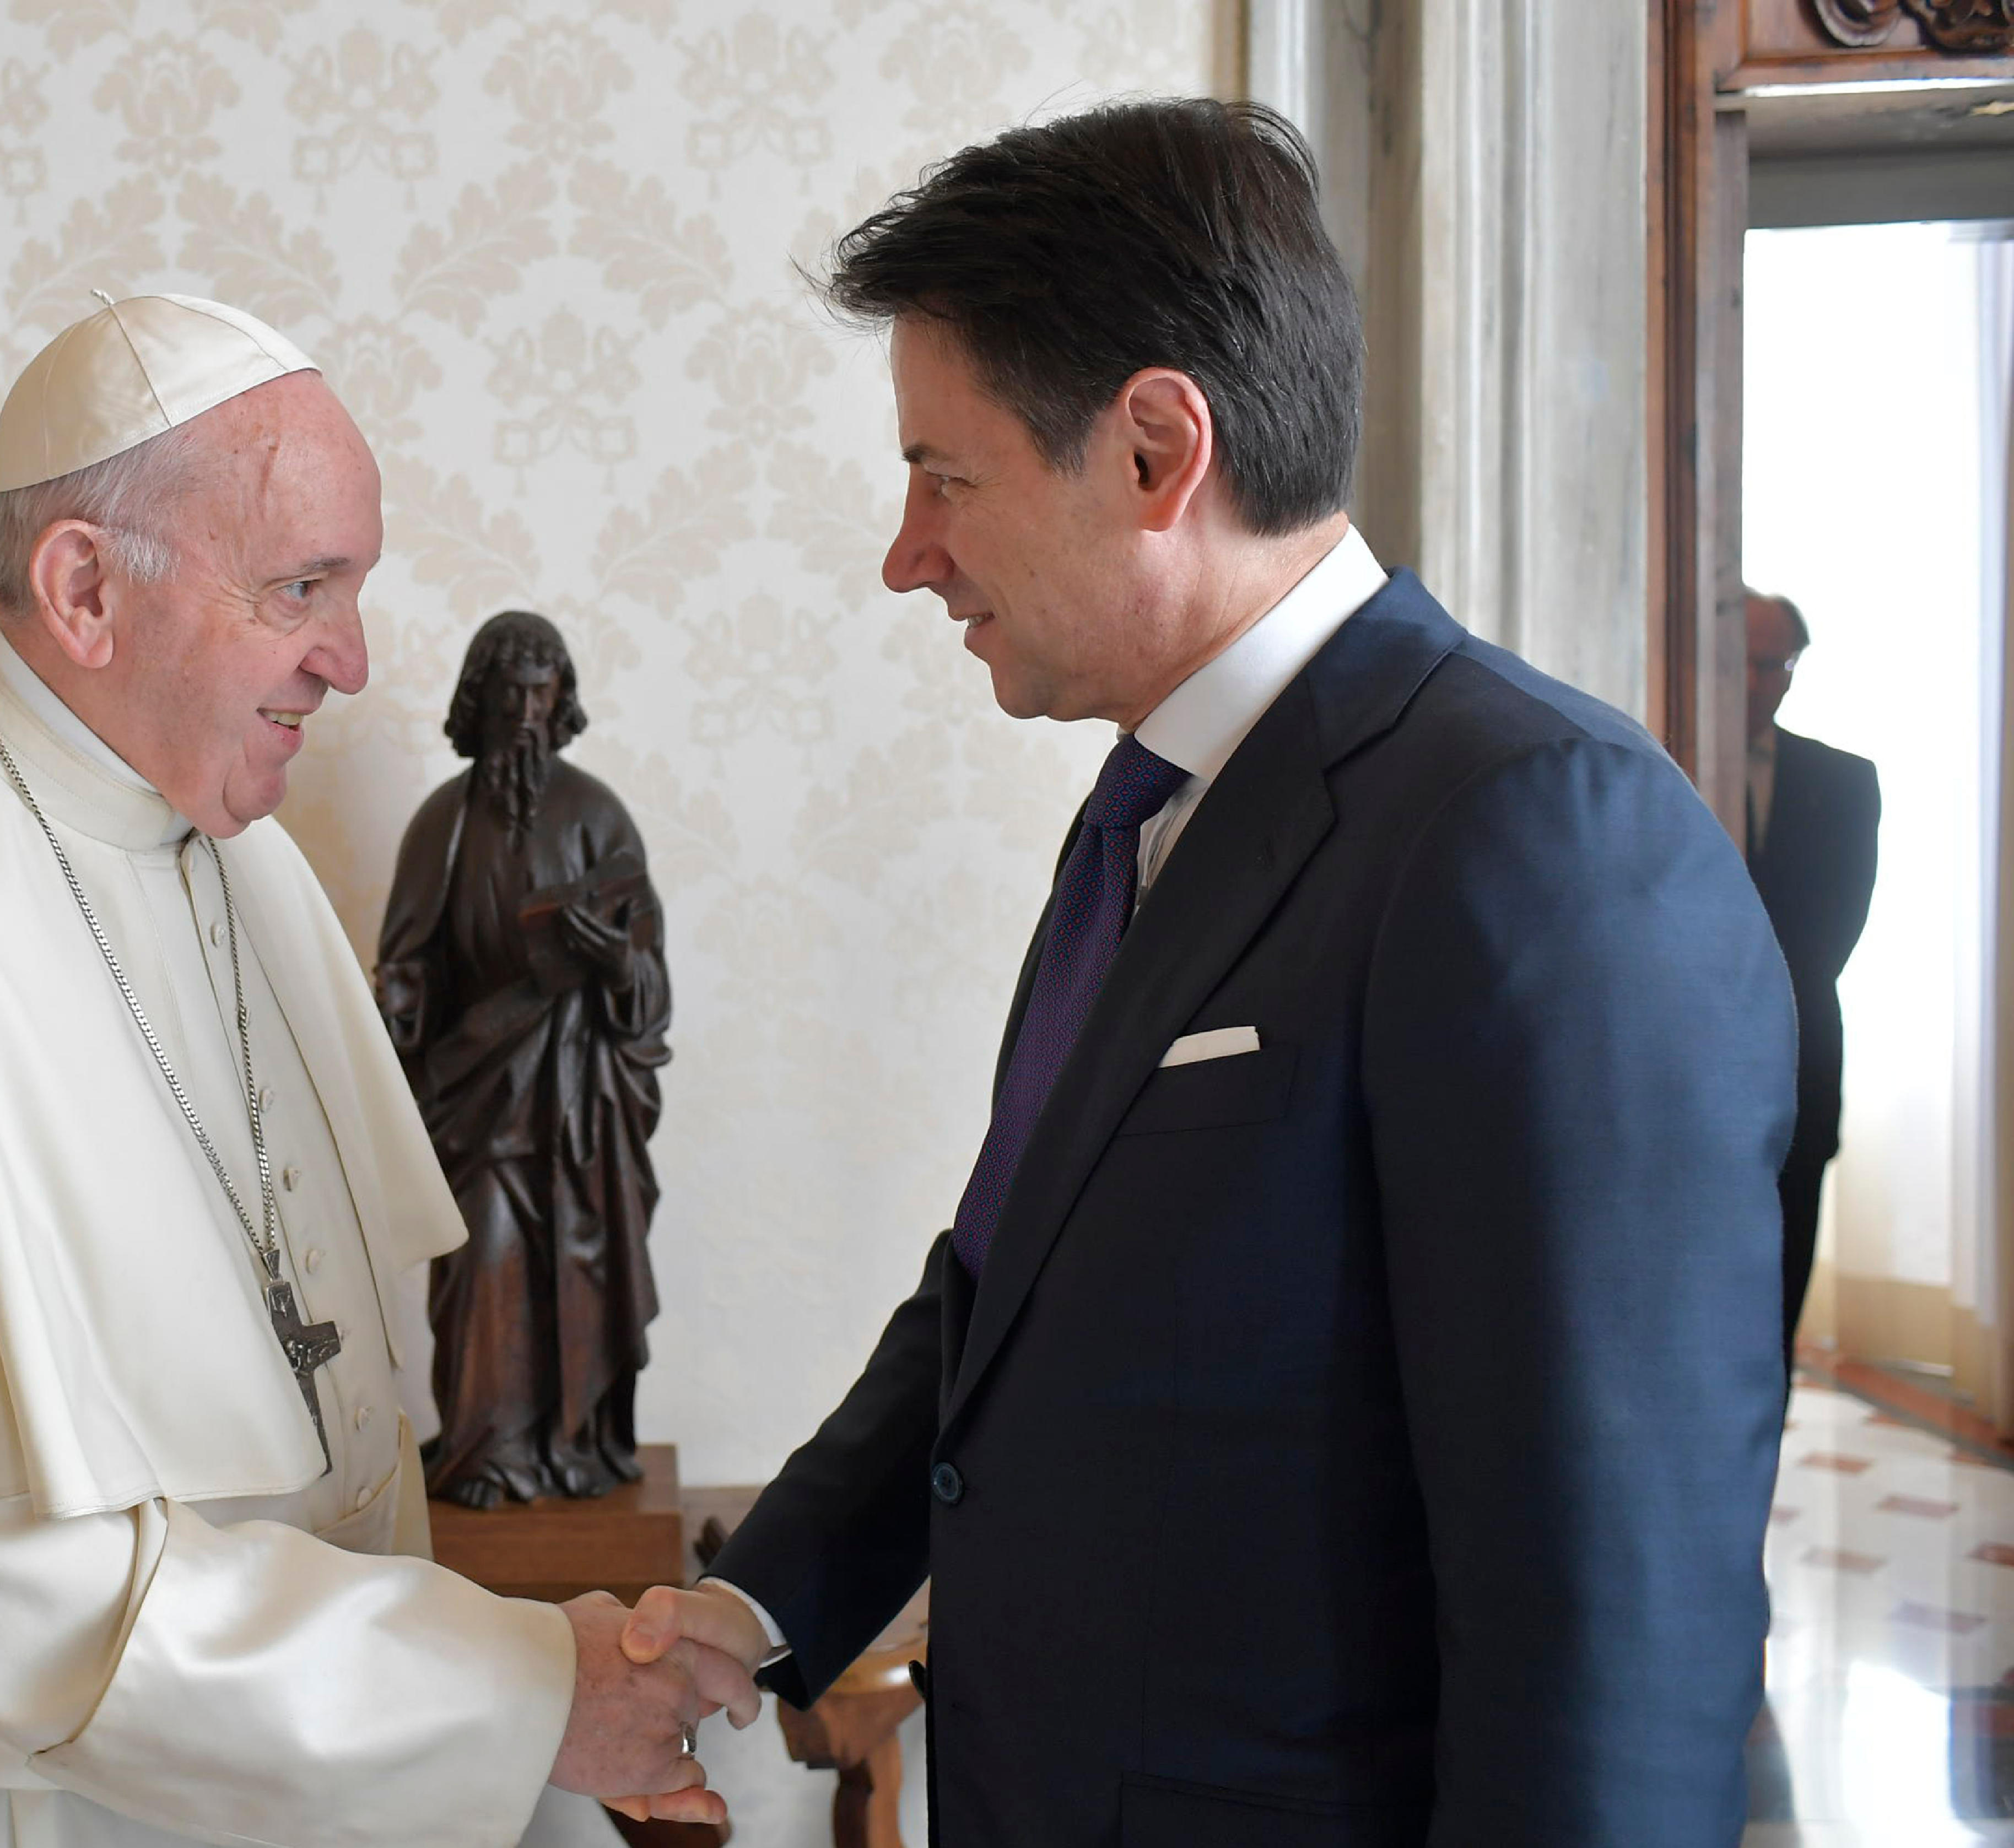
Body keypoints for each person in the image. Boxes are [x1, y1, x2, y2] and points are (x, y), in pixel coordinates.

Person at [623, 100, 1798, 1844]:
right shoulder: (1148, 815)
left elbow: (1615, 1627)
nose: (908, 552)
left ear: (1158, 450)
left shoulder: (1537, 837)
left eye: (948, 476)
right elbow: (999, 1298)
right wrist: (754, 1608)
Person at [0, 293, 753, 1847]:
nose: (351, 660)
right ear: (84, 590)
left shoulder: (230, 848)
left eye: (355, 588)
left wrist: (493, 1695)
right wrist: (520, 1692)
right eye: (300, 588)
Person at [377, 609, 672, 1510]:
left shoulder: (598, 816)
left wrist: (614, 963)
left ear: (562, 700)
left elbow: (648, 978)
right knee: (486, 1263)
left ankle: (579, 1448)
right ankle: (487, 1453)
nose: (526, 716)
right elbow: (408, 961)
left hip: (581, 1104)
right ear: (480, 701)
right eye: (509, 696)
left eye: (541, 696)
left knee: (582, 1269)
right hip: (479, 1096)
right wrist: (397, 1005)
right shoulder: (444, 824)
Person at [1744, 587, 1880, 1356]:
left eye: (1774, 665)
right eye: (1741, 662)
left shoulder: (1844, 782)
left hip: (1802, 1062)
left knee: (1782, 1288)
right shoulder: (1653, 765)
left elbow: (1831, 937)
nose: (1757, 682)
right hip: (1674, 1071)